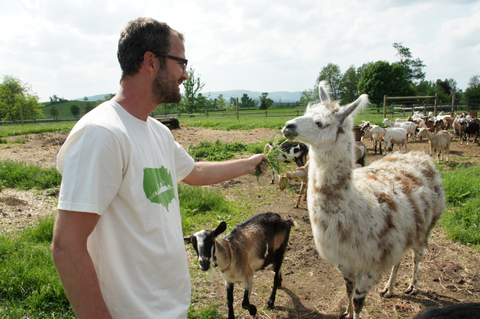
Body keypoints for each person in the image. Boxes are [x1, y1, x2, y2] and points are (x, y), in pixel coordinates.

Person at [51, 17, 266, 319]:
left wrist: (250, 163)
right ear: (151, 61)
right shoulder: (102, 134)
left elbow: (195, 173)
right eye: (181, 62)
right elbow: (66, 247)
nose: (186, 74)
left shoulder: (157, 131)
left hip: (169, 308)